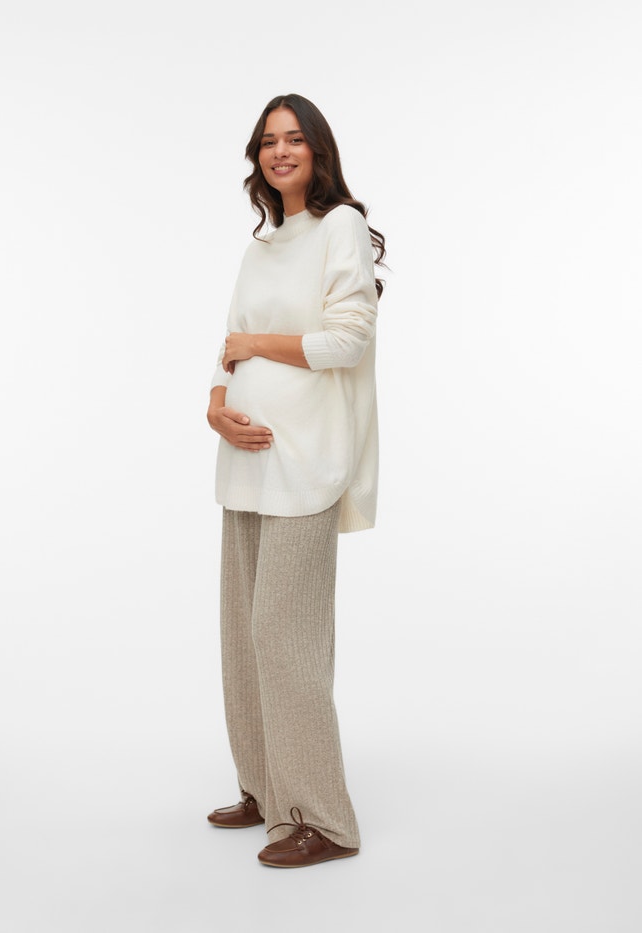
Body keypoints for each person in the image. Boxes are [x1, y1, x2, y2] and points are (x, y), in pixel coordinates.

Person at [206, 93, 386, 869]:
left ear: (318, 151)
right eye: (268, 141)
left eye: (294, 139)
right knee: (244, 638)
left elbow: (348, 339)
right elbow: (228, 344)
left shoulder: (338, 226)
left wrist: (256, 345)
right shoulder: (262, 245)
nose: (280, 151)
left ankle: (323, 819)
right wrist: (217, 405)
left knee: (288, 641)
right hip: (245, 463)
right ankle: (265, 787)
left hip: (306, 461)